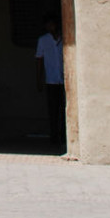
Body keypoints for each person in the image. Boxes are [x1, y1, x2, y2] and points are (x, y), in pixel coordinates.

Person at [35, 12, 66, 150]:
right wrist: (39, 79)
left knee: (65, 109)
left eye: (52, 24)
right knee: (53, 110)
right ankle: (54, 136)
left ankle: (65, 135)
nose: (50, 27)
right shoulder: (43, 40)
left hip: (64, 80)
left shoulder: (65, 38)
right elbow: (39, 60)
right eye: (48, 25)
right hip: (51, 80)